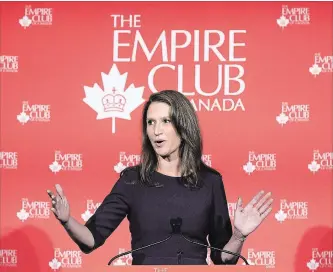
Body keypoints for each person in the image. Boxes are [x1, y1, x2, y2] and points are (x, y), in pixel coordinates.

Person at [47, 90, 273, 265]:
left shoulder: (211, 182)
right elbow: (91, 239)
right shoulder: (132, 180)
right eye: (150, 122)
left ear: (183, 127)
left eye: (166, 121)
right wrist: (67, 221)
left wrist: (240, 236)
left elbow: (223, 258)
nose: (156, 131)